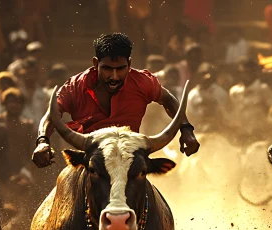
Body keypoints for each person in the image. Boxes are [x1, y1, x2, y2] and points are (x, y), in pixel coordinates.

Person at [33, 33, 199, 168]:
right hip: (90, 161)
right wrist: (42, 141)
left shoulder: (142, 82)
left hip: (129, 159)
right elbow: (52, 114)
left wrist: (186, 129)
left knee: (156, 205)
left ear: (129, 63)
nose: (114, 76)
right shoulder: (75, 86)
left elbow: (169, 100)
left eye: (120, 69)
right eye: (107, 69)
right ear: (95, 63)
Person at [228, 57, 272, 138]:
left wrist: (269, 123)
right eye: (242, 72)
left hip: (259, 133)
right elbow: (232, 111)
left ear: (254, 72)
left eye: (248, 72)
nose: (245, 75)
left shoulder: (263, 89)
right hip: (240, 134)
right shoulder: (234, 91)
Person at [186, 63, 228, 132]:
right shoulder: (193, 94)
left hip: (217, 133)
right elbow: (189, 115)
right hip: (197, 132)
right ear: (198, 76)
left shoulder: (220, 93)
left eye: (209, 73)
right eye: (203, 73)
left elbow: (226, 114)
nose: (207, 76)